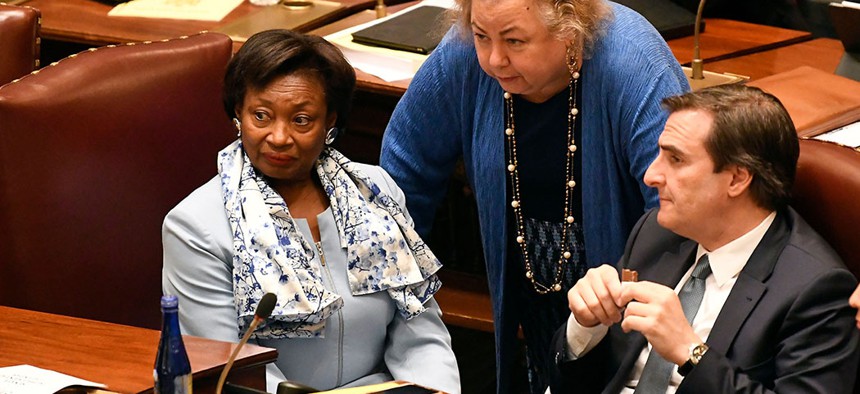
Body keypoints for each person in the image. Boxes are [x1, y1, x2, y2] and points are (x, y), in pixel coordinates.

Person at [379, 0, 688, 391]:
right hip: (524, 287)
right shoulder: (462, 56)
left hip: (625, 294)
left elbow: (674, 208)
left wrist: (631, 301)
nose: (494, 59)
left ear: (570, 31)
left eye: (515, 41)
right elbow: (403, 172)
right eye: (481, 36)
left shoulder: (635, 63)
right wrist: (396, 299)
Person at [161, 29, 460, 394]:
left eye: (301, 120)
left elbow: (420, 329)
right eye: (261, 116)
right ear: (237, 113)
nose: (279, 136)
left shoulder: (377, 192)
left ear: (330, 121)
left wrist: (435, 391)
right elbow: (229, 367)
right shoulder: (196, 226)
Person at [551, 85, 860, 393]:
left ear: (737, 179)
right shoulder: (656, 234)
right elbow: (582, 383)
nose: (650, 176)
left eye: (676, 160)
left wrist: (691, 353)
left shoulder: (815, 288)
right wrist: (585, 327)